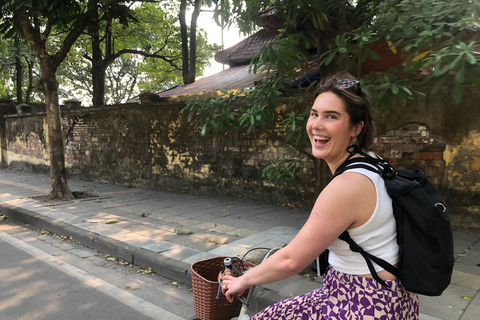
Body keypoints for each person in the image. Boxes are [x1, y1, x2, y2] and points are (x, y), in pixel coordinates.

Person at [220, 73, 419, 319]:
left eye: (331, 116)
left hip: (363, 304)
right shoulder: (372, 162)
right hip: (386, 297)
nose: (316, 124)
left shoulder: (347, 186)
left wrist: (244, 280)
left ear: (356, 128)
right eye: (314, 113)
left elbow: (291, 260)